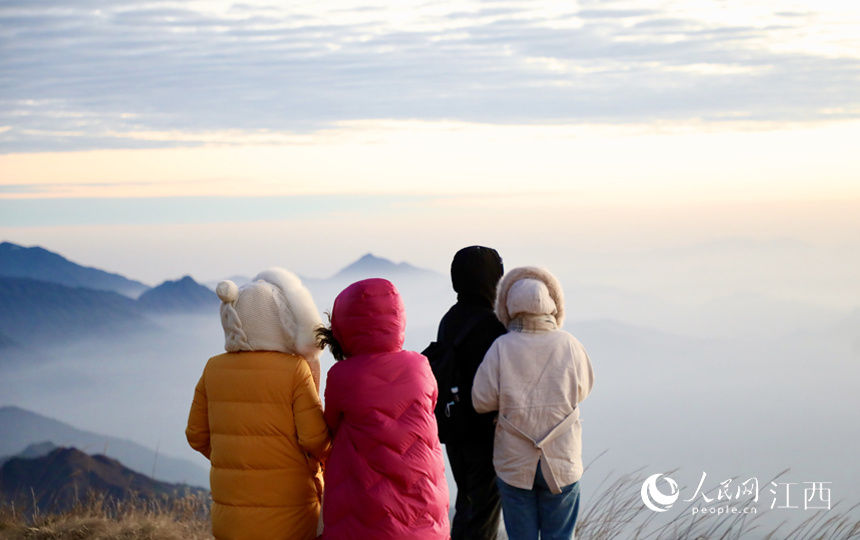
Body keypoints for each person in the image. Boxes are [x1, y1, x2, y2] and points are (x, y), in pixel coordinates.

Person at [186, 268, 330, 540]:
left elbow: (196, 435)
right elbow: (315, 440)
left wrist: (236, 460)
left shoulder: (213, 368)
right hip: (292, 518)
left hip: (231, 521)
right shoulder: (295, 370)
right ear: (281, 322)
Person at [316, 278, 450, 540]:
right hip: (424, 508)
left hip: (367, 513)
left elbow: (329, 426)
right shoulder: (420, 365)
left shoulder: (342, 375)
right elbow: (429, 405)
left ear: (345, 326)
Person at [472, 267, 595, 540]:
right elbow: (583, 389)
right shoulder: (570, 344)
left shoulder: (501, 348)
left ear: (509, 307)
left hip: (514, 461)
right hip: (562, 459)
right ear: (552, 305)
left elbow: (481, 401)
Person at [430, 246, 506, 540]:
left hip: (454, 428)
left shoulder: (450, 319)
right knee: (481, 516)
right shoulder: (493, 323)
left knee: (469, 505)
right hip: (485, 433)